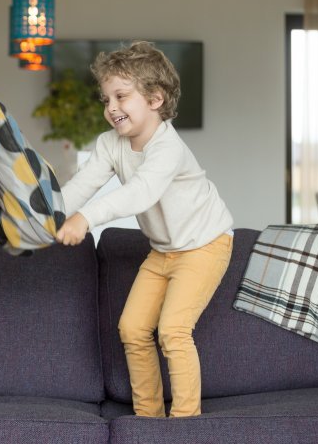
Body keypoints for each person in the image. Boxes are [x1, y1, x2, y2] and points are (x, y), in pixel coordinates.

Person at [56, 41, 233, 418]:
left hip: (205, 246)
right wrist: (49, 216)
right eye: (106, 100)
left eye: (121, 96)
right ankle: (148, 421)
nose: (111, 108)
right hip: (164, 251)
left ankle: (186, 424)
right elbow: (80, 186)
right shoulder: (109, 144)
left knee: (172, 330)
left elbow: (140, 193)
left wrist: (86, 219)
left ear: (155, 98)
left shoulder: (167, 147)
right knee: (133, 328)